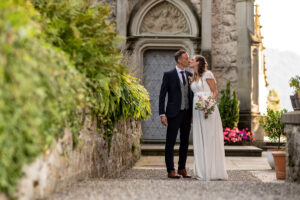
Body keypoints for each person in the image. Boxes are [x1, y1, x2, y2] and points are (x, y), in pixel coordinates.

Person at [189, 55, 228, 180]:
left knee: (208, 137)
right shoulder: (194, 76)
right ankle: (202, 170)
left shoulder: (207, 74)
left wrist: (208, 105)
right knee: (199, 137)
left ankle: (211, 171)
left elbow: (215, 91)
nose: (190, 61)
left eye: (193, 60)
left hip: (207, 109)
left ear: (199, 62)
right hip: (196, 110)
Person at [159, 49, 193, 179]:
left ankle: (182, 168)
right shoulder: (169, 75)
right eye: (186, 58)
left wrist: (192, 115)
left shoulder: (190, 75)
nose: (188, 60)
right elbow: (162, 96)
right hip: (173, 114)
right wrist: (162, 114)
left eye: (188, 58)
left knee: (185, 142)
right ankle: (170, 170)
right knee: (170, 142)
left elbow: (191, 95)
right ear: (179, 60)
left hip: (186, 114)